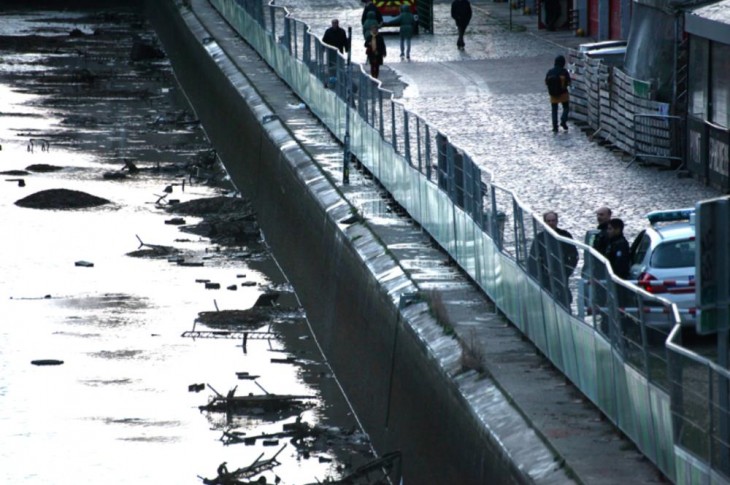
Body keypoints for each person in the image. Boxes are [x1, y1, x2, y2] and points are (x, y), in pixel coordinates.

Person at [528, 211, 578, 307]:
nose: (551, 223)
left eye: (553, 221)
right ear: (545, 222)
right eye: (548, 221)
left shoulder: (565, 235)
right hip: (545, 275)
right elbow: (533, 258)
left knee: (564, 298)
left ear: (557, 221)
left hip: (562, 273)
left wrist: (567, 271)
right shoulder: (540, 238)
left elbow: (573, 256)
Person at [545, 54, 571, 132]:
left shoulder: (550, 72)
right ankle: (563, 120)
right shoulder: (564, 71)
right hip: (563, 94)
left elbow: (546, 82)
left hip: (553, 95)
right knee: (566, 107)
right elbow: (569, 82)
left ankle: (555, 126)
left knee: (554, 110)